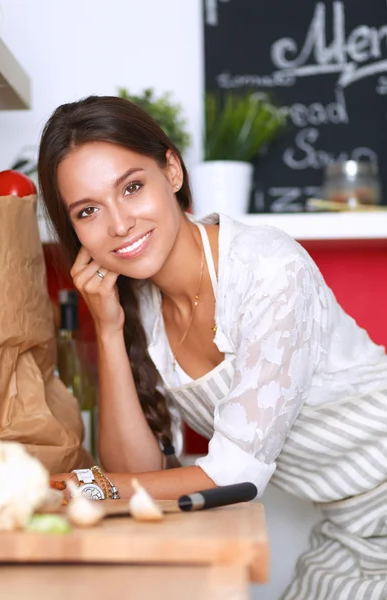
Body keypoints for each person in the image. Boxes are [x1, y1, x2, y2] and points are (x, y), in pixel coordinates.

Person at [38, 95, 387, 600]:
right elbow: (142, 472)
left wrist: (91, 486)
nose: (118, 225)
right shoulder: (137, 304)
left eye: (132, 187)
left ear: (172, 171)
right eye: (89, 210)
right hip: (351, 531)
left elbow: (232, 476)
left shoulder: (268, 269)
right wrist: (108, 329)